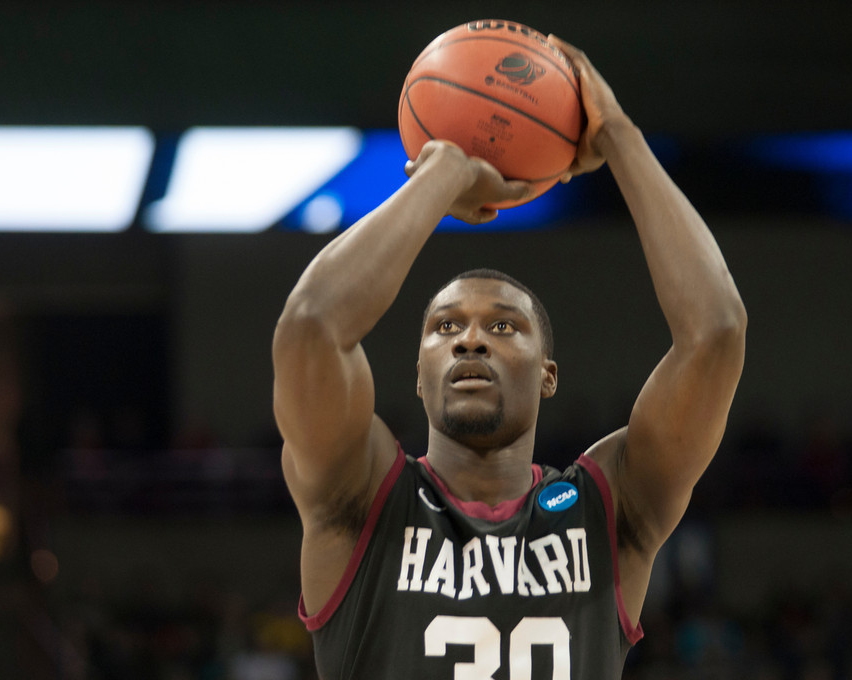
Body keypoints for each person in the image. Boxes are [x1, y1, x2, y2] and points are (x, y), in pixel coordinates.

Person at [272, 34, 746, 680]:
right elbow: (311, 327)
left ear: (548, 374)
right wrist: (444, 174)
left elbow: (716, 331)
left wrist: (620, 136)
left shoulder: (609, 508)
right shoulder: (360, 493)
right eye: (445, 327)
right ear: (418, 377)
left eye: (503, 325)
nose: (470, 339)